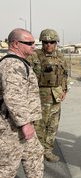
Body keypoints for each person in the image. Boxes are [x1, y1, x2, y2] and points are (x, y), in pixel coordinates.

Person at [0, 28, 44, 178]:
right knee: (7, 167)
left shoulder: (20, 62)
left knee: (35, 156)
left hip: (20, 123)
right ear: (15, 44)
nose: (34, 45)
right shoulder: (12, 65)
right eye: (29, 43)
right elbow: (13, 97)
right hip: (10, 127)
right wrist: (25, 124)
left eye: (34, 42)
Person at [27, 28, 68, 163]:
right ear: (42, 43)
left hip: (56, 97)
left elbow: (64, 74)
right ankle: (37, 152)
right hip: (40, 97)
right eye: (45, 42)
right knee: (39, 126)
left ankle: (48, 150)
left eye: (51, 42)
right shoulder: (34, 56)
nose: (48, 45)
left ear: (56, 43)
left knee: (53, 126)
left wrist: (65, 90)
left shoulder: (61, 57)